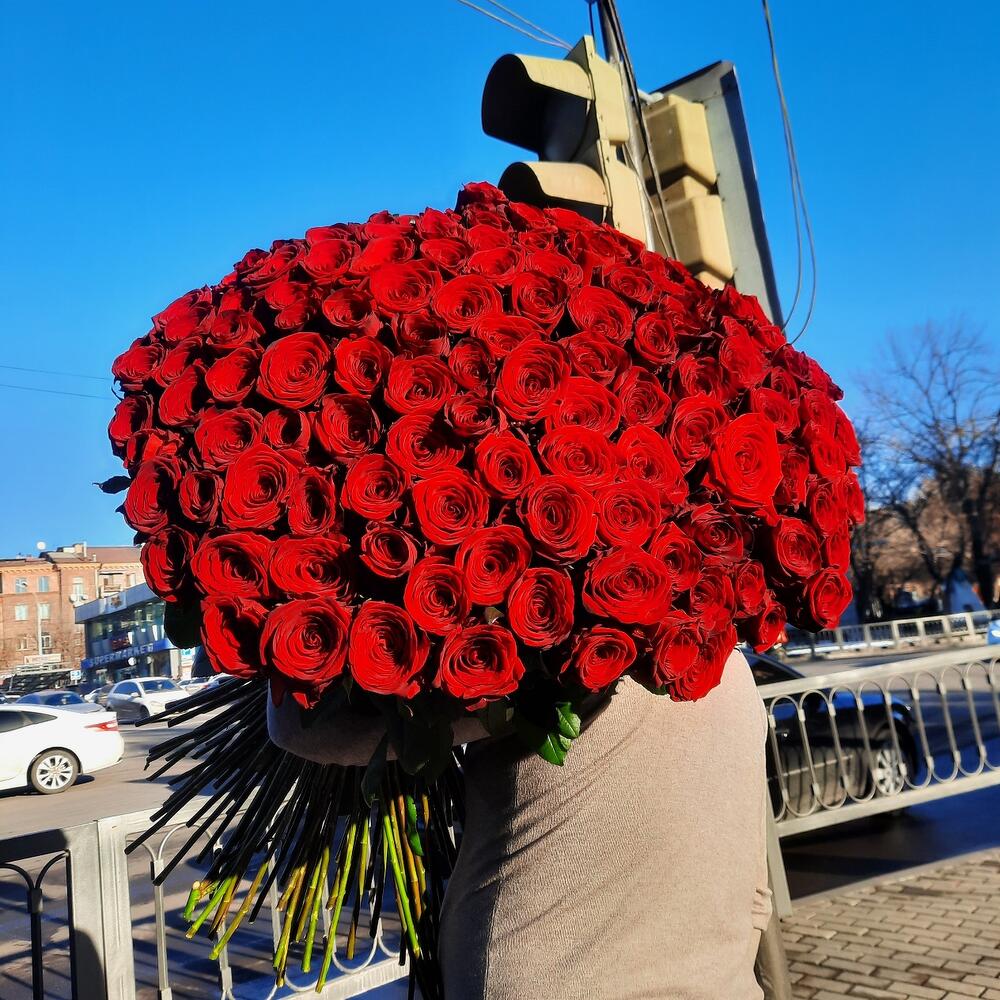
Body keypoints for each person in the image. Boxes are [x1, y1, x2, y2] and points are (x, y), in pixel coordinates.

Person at [269, 647, 772, 999]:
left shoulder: (566, 668)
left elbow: (307, 727)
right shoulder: (730, 671)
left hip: (544, 982)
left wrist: (284, 658)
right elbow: (757, 891)